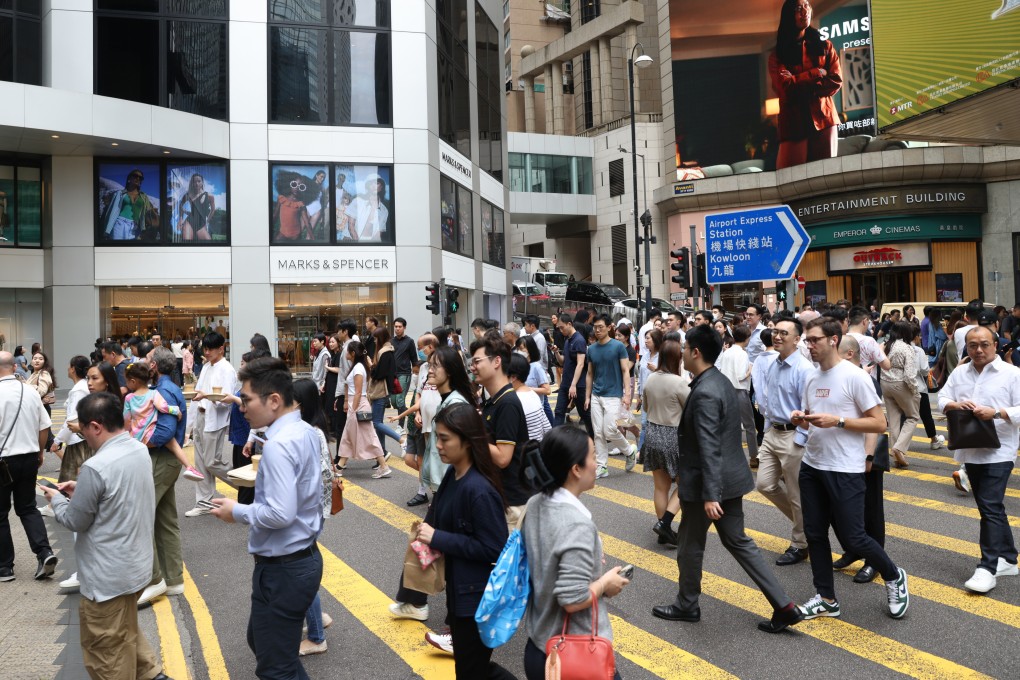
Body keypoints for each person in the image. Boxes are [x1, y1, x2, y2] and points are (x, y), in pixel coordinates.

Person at [651, 326, 803, 633]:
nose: (680, 352)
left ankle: (687, 604)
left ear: (695, 352)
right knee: (739, 542)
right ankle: (784, 605)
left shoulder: (705, 390)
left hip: (707, 485)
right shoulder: (718, 381)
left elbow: (709, 446)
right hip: (730, 479)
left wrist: (711, 494)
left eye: (684, 348)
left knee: (690, 545)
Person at [209, 357, 324, 679]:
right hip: (299, 560)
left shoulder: (278, 445)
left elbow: (280, 513)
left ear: (274, 400)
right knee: (264, 644)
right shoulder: (304, 431)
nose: (242, 407)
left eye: (246, 400)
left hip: (285, 569)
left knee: (276, 665)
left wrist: (237, 511)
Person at [39, 392, 167, 680]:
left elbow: (75, 520)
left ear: (95, 426)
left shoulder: (96, 467)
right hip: (135, 568)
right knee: (126, 632)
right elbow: (115, 497)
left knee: (105, 655)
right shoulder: (138, 449)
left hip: (106, 577)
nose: (85, 438)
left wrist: (57, 500)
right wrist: (82, 489)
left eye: (84, 431)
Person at [792, 317, 909, 620]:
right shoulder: (811, 377)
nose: (810, 345)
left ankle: (894, 575)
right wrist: (802, 418)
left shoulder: (855, 376)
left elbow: (879, 423)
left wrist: (839, 421)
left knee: (855, 536)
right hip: (812, 464)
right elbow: (816, 416)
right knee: (815, 533)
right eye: (807, 340)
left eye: (814, 339)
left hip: (846, 468)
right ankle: (826, 598)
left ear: (833, 339)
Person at [521, 426, 630, 679]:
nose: (597, 463)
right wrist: (605, 583)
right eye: (593, 456)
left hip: (539, 644)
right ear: (576, 469)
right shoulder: (576, 524)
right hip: (572, 655)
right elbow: (571, 600)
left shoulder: (535, 503)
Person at [413, 403, 512, 678]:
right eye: (437, 437)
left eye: (445, 439)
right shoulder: (453, 474)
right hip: (459, 592)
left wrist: (438, 537)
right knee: (472, 667)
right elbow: (439, 516)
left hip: (477, 598)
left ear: (467, 442)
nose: (439, 445)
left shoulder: (478, 489)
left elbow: (494, 547)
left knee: (472, 669)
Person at [389, 345, 475, 630]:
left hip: (450, 483)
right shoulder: (446, 398)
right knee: (427, 543)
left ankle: (429, 608)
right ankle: (414, 600)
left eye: (436, 365)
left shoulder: (456, 403)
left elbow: (456, 451)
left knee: (441, 548)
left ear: (449, 370)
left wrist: (440, 485)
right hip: (445, 482)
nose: (430, 369)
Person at [938, 325, 1020, 594]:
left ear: (995, 345)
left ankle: (987, 567)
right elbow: (942, 397)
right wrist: (953, 405)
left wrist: (996, 413)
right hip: (969, 449)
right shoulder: (961, 372)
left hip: (1000, 450)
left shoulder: (1012, 374)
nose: (979, 350)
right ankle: (1008, 558)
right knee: (991, 506)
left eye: (984, 344)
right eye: (973, 345)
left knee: (989, 505)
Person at [831, 335, 891, 585]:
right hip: (840, 455)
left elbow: (876, 424)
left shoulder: (863, 379)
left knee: (871, 509)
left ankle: (874, 561)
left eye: (836, 351)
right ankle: (854, 550)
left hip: (864, 456)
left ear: (849, 355)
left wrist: (868, 456)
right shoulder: (835, 376)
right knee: (843, 509)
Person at [755, 318, 814, 567]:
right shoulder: (773, 365)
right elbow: (770, 401)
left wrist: (800, 440)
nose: (777, 336)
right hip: (773, 433)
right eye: (775, 332)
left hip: (794, 436)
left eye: (783, 333)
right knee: (764, 485)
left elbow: (809, 409)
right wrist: (767, 431)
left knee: (796, 494)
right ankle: (809, 524)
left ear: (797, 339)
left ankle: (800, 544)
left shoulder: (804, 369)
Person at [135, 348, 190, 607]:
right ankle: (173, 579)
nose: (144, 365)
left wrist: (139, 440)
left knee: (140, 515)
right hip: (165, 459)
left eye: (147, 361)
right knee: (164, 518)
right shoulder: (167, 388)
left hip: (161, 457)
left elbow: (165, 432)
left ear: (154, 365)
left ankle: (155, 579)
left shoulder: (163, 391)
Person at [0, 351, 57, 582]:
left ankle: (5, 568)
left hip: (3, 461)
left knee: (1, 514)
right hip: (29, 456)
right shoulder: (30, 392)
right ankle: (45, 553)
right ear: (14, 368)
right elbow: (45, 426)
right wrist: (40, 452)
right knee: (27, 508)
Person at [469, 334, 535, 529]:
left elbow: (503, 458)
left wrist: (471, 436)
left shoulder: (507, 403)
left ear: (497, 361)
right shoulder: (495, 400)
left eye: (477, 361)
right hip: (500, 495)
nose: (473, 367)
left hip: (512, 501)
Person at [291, 379, 338, 657]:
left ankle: (318, 636)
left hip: (308, 514)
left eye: (291, 400)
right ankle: (319, 618)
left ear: (301, 404)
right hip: (312, 512)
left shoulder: (310, 432)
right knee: (305, 569)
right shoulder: (313, 429)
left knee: (302, 573)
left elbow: (320, 474)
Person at [768, 0, 841, 169]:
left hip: (825, 120)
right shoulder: (777, 55)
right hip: (793, 124)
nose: (805, 11)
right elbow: (785, 90)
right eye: (798, 8)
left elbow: (835, 81)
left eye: (807, 5)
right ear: (789, 16)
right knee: (791, 180)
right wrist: (817, 73)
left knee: (826, 177)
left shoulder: (825, 46)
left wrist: (796, 79)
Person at [642, 338, 690, 548]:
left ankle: (664, 532)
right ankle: (665, 523)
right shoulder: (680, 382)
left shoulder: (651, 379)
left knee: (661, 487)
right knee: (686, 483)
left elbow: (645, 407)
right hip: (673, 436)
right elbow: (691, 409)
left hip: (652, 433)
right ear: (677, 359)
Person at [186, 331, 238, 517]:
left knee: (211, 462)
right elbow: (196, 396)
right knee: (201, 462)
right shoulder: (207, 366)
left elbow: (226, 399)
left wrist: (206, 396)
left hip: (215, 419)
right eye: (205, 349)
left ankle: (246, 485)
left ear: (221, 349)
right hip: (202, 415)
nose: (206, 352)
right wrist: (189, 427)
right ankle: (204, 502)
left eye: (210, 349)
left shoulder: (227, 369)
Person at [123, 362, 201, 482]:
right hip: (150, 433)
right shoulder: (153, 394)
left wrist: (129, 434)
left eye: (126, 381)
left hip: (136, 436)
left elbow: (127, 419)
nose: (126, 384)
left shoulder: (129, 398)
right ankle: (189, 466)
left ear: (133, 381)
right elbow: (164, 407)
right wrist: (176, 411)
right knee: (172, 442)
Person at [584, 314, 636, 478]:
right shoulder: (591, 349)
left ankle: (629, 451)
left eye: (601, 327)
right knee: (598, 432)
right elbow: (590, 374)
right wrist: (587, 397)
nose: (597, 330)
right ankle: (602, 466)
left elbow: (625, 371)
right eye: (595, 327)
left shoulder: (618, 347)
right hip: (596, 395)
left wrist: (627, 395)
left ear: (609, 327)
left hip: (613, 395)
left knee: (610, 429)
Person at [336, 341, 392, 479]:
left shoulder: (358, 368)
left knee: (368, 436)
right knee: (350, 435)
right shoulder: (357, 366)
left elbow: (358, 392)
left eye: (348, 351)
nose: (346, 353)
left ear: (353, 353)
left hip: (358, 405)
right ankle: (339, 467)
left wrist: (353, 410)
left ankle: (383, 466)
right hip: (356, 404)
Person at [718, 325, 760, 466]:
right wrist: (750, 369)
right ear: (747, 338)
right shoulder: (742, 354)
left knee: (729, 425)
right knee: (749, 426)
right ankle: (753, 457)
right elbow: (741, 376)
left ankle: (728, 456)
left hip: (725, 391)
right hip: (740, 391)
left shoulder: (727, 352)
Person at [880, 321, 920, 469]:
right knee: (912, 416)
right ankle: (899, 448)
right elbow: (909, 375)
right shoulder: (906, 348)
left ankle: (897, 456)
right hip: (900, 384)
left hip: (885, 383)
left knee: (894, 419)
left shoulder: (886, 345)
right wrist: (915, 391)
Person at [50, 355, 93, 483]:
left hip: (77, 441)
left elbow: (72, 419)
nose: (67, 369)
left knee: (72, 479)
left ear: (73, 369)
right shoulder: (84, 386)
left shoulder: (78, 390)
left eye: (69, 366)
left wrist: (57, 441)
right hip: (83, 438)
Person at [552, 313, 592, 436]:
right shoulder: (567, 340)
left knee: (585, 414)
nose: (560, 330)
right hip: (566, 384)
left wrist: (573, 385)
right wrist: (557, 353)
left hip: (578, 385)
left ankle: (593, 437)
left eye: (562, 327)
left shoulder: (579, 340)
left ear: (569, 324)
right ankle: (554, 439)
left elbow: (580, 364)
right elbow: (563, 361)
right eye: (559, 328)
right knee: (559, 412)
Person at [100, 168, 159, 241]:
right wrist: (107, 230)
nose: (138, 178)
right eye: (135, 176)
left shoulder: (143, 197)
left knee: (132, 251)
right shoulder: (120, 193)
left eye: (140, 178)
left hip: (135, 226)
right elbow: (112, 211)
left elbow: (148, 210)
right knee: (118, 249)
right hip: (119, 223)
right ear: (129, 178)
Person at [509, 353, 551, 442]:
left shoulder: (514, 400)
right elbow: (547, 427)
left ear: (513, 377)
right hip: (537, 449)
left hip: (525, 451)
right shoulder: (532, 393)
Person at [391, 318, 417, 430]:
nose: (397, 328)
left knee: (400, 400)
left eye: (399, 327)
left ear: (404, 327)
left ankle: (400, 426)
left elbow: (414, 358)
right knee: (394, 401)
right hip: (392, 374)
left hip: (404, 373)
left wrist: (416, 371)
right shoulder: (391, 341)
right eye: (396, 326)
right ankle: (411, 413)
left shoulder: (409, 341)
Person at [310, 332, 331, 418]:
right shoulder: (318, 352)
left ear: (322, 341)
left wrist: (323, 384)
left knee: (320, 409)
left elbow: (325, 371)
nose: (314, 343)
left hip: (320, 386)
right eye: (313, 341)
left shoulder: (325, 354)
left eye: (315, 341)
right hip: (317, 384)